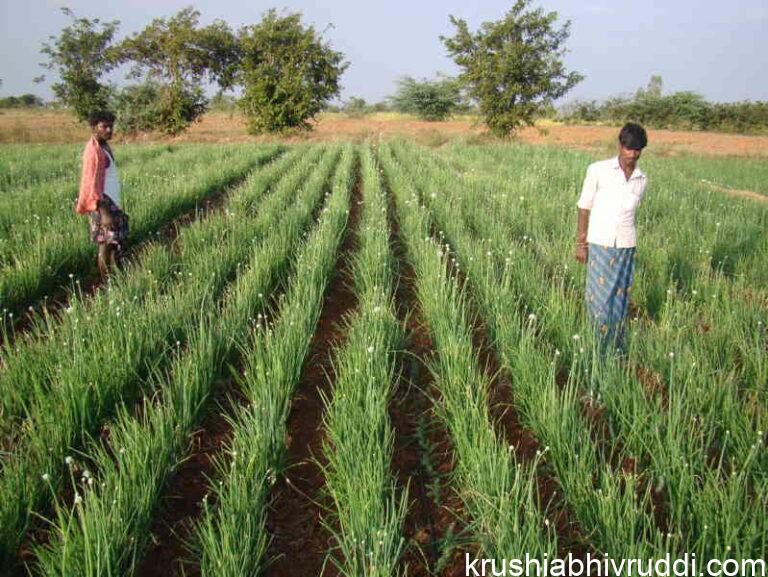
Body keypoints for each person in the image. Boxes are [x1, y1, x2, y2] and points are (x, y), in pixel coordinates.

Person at [574, 122, 648, 353]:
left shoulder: (641, 179)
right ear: (620, 145)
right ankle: (595, 345)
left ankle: (616, 343)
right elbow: (584, 207)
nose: (631, 154)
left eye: (636, 150)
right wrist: (581, 243)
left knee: (621, 296)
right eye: (628, 148)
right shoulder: (598, 170)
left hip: (626, 245)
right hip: (600, 243)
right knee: (599, 297)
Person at [76, 110, 129, 280]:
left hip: (111, 202)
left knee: (114, 245)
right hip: (103, 205)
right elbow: (92, 186)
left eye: (110, 126)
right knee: (105, 247)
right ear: (94, 127)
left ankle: (116, 279)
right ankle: (107, 283)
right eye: (104, 126)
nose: (108, 130)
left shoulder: (103, 147)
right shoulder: (94, 152)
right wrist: (105, 214)